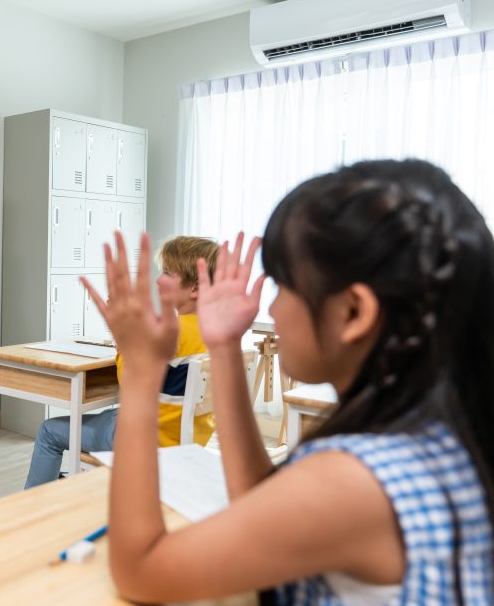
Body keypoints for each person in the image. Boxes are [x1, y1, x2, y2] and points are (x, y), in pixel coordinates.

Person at [86, 159, 492, 604]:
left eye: (283, 286)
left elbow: (141, 572)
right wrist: (223, 345)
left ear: (354, 312)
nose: (272, 310)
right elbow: (263, 503)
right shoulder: (437, 435)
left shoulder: (354, 481)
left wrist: (143, 375)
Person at [23, 236, 219, 489]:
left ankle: (32, 509)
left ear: (196, 288)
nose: (158, 280)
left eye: (168, 274)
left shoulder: (173, 332)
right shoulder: (220, 332)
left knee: (49, 431)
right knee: (109, 415)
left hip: (143, 441)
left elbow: (130, 385)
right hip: (187, 440)